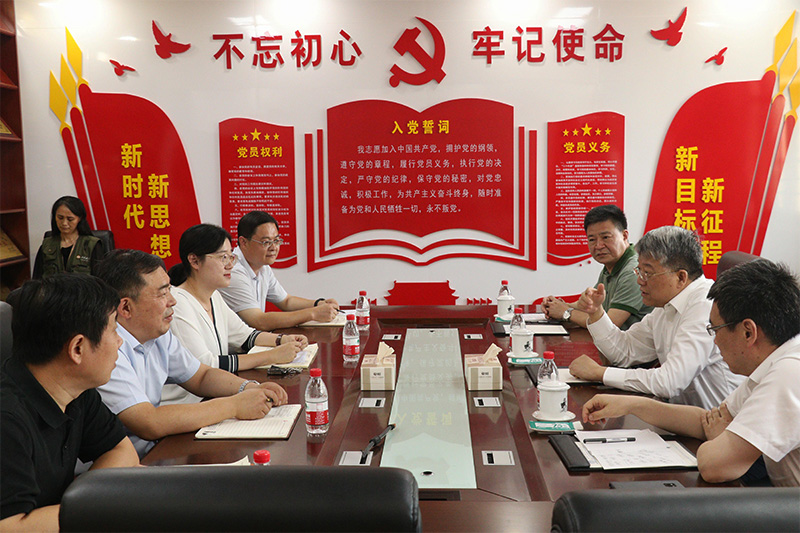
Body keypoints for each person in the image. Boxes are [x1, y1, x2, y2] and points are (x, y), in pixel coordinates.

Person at [583, 259, 800, 486]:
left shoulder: (789, 373)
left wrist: (719, 437)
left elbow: (715, 466)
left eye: (715, 329)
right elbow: (706, 421)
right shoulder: (777, 359)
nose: (714, 341)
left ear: (748, 332)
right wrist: (631, 405)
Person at [95, 249, 288, 457]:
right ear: (125, 308)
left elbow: (201, 376)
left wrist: (248, 388)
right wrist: (234, 406)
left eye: (170, 290)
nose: (172, 301)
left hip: (158, 451)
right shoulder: (106, 347)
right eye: (162, 294)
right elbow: (149, 422)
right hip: (128, 465)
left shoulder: (157, 334)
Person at [0, 274, 139, 531]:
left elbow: (122, 451)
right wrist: (98, 504)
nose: (120, 342)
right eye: (114, 330)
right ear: (77, 348)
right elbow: (10, 527)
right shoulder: (7, 419)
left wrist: (84, 501)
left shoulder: (76, 390)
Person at [568, 225, 742, 409]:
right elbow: (625, 350)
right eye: (639, 270)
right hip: (682, 415)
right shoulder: (666, 304)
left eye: (647, 273)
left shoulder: (705, 305)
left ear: (680, 277)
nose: (639, 280)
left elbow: (670, 381)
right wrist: (596, 313)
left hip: (719, 421)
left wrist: (600, 373)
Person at [163, 224, 308, 405]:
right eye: (223, 257)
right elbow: (206, 365)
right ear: (194, 261)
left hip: (214, 396)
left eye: (231, 256)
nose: (230, 265)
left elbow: (245, 336)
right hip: (187, 404)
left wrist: (282, 340)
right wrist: (272, 356)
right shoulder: (178, 303)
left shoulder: (213, 296)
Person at [218, 211, 339, 330]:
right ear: (243, 242)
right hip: (237, 343)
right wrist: (313, 313)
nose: (273, 248)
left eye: (276, 241)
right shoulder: (233, 271)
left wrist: (318, 304)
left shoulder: (263, 267)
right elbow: (259, 321)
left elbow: (286, 301)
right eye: (266, 242)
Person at [542, 205, 651, 330]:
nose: (598, 246)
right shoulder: (611, 266)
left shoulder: (634, 270)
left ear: (624, 236)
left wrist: (566, 313)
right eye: (592, 239)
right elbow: (590, 305)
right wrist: (556, 305)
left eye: (606, 237)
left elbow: (610, 325)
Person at [32, 196, 105, 279]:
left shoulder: (91, 245)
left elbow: (100, 281)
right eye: (60, 218)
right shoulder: (47, 245)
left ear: (79, 218)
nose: (64, 223)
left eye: (70, 219)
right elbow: (36, 279)